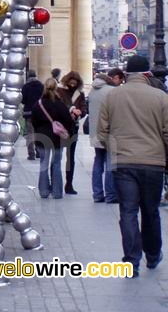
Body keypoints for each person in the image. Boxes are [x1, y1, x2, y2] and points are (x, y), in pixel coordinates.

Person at [98, 54, 168, 278]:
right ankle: (154, 253)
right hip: (153, 162)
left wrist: (114, 149)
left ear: (126, 73)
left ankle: (131, 261)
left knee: (128, 211)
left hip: (123, 162)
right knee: (150, 211)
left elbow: (101, 131)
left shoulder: (113, 95)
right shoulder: (161, 97)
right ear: (147, 73)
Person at [31, 78, 75, 200]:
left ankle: (44, 192)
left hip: (42, 137)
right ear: (56, 88)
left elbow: (33, 121)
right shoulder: (60, 104)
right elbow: (68, 121)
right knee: (56, 164)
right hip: (57, 139)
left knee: (43, 164)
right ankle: (57, 192)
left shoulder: (38, 104)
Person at [88, 69, 124, 204]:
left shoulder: (93, 91)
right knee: (110, 163)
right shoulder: (111, 91)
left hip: (95, 133)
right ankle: (111, 195)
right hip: (109, 132)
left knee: (98, 162)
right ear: (114, 78)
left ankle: (97, 194)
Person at [57, 71, 86, 194]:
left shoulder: (80, 94)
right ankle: (56, 184)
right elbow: (58, 106)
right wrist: (72, 109)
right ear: (67, 81)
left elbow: (84, 109)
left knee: (71, 158)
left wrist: (80, 113)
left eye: (75, 82)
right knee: (57, 157)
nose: (73, 84)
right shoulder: (59, 91)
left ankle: (69, 184)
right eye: (71, 81)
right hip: (61, 128)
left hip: (73, 128)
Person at [21, 69, 44, 160]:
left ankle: (31, 154)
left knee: (30, 134)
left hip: (29, 112)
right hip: (39, 113)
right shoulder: (41, 86)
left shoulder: (25, 86)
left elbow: (23, 100)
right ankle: (39, 152)